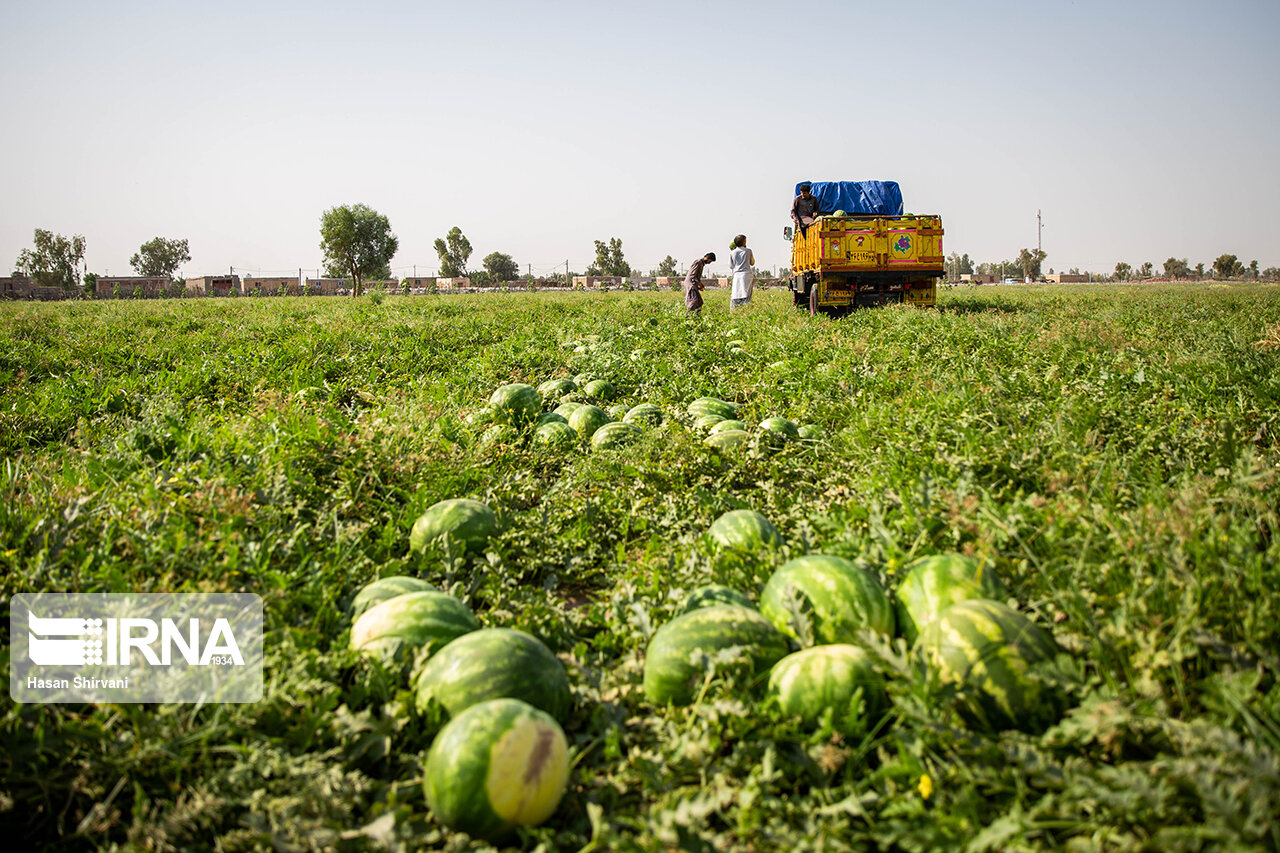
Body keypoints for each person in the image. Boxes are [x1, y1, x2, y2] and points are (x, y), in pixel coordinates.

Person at [728, 235, 755, 310]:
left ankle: (734, 311)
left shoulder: (732, 253)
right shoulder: (748, 251)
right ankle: (746, 311)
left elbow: (731, 266)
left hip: (737, 275)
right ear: (744, 242)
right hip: (747, 275)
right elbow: (752, 263)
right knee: (747, 295)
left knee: (736, 294)